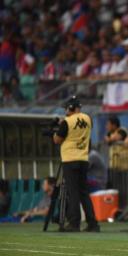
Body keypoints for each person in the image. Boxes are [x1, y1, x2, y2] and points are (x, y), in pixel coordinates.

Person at [53, 96, 100, 232]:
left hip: (70, 159)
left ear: (71, 108)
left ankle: (74, 223)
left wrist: (56, 132)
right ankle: (93, 223)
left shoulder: (67, 121)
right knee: (84, 193)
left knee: (73, 192)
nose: (66, 111)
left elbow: (57, 139)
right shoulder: (88, 118)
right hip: (83, 159)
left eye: (67, 109)